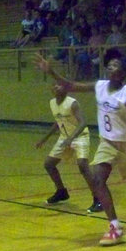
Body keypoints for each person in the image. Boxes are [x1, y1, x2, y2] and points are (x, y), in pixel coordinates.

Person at [36, 50, 126, 246]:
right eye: (109, 65)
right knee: (98, 179)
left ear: (123, 72)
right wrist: (51, 72)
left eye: (115, 65)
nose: (110, 67)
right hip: (107, 142)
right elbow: (71, 85)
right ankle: (116, 227)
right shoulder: (100, 86)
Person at [33, 78, 102, 215]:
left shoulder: (72, 103)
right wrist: (44, 139)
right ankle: (61, 192)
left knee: (83, 166)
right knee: (49, 164)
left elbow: (82, 123)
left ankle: (98, 199)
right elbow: (58, 122)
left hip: (80, 136)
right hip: (65, 138)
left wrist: (71, 138)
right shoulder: (52, 103)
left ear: (66, 88)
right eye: (54, 85)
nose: (56, 87)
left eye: (59, 85)